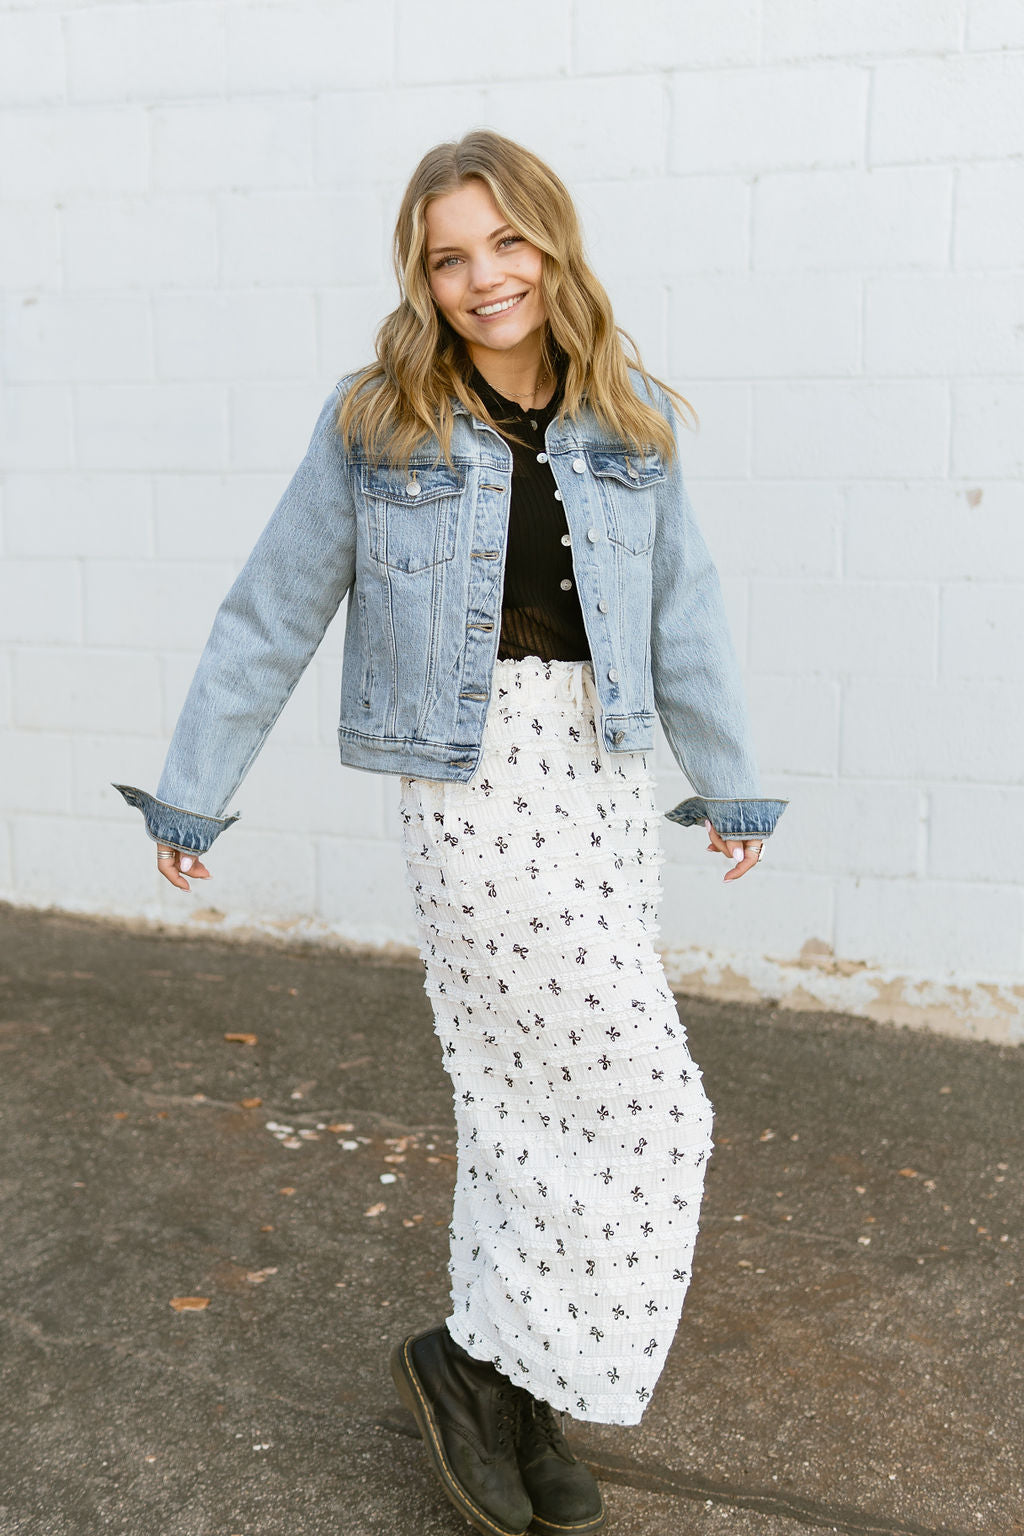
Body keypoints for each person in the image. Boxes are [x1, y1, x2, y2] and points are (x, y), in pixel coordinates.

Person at [115, 131, 787, 1536]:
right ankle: (477, 1362)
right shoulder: (381, 419)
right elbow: (273, 604)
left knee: (524, 1101)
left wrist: (727, 780)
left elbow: (687, 614)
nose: (484, 277)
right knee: (654, 1110)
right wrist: (195, 784)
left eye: (506, 242)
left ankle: (509, 1384)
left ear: (552, 239)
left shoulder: (629, 413)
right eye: (449, 254)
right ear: (423, 273)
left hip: (600, 783)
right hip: (469, 785)